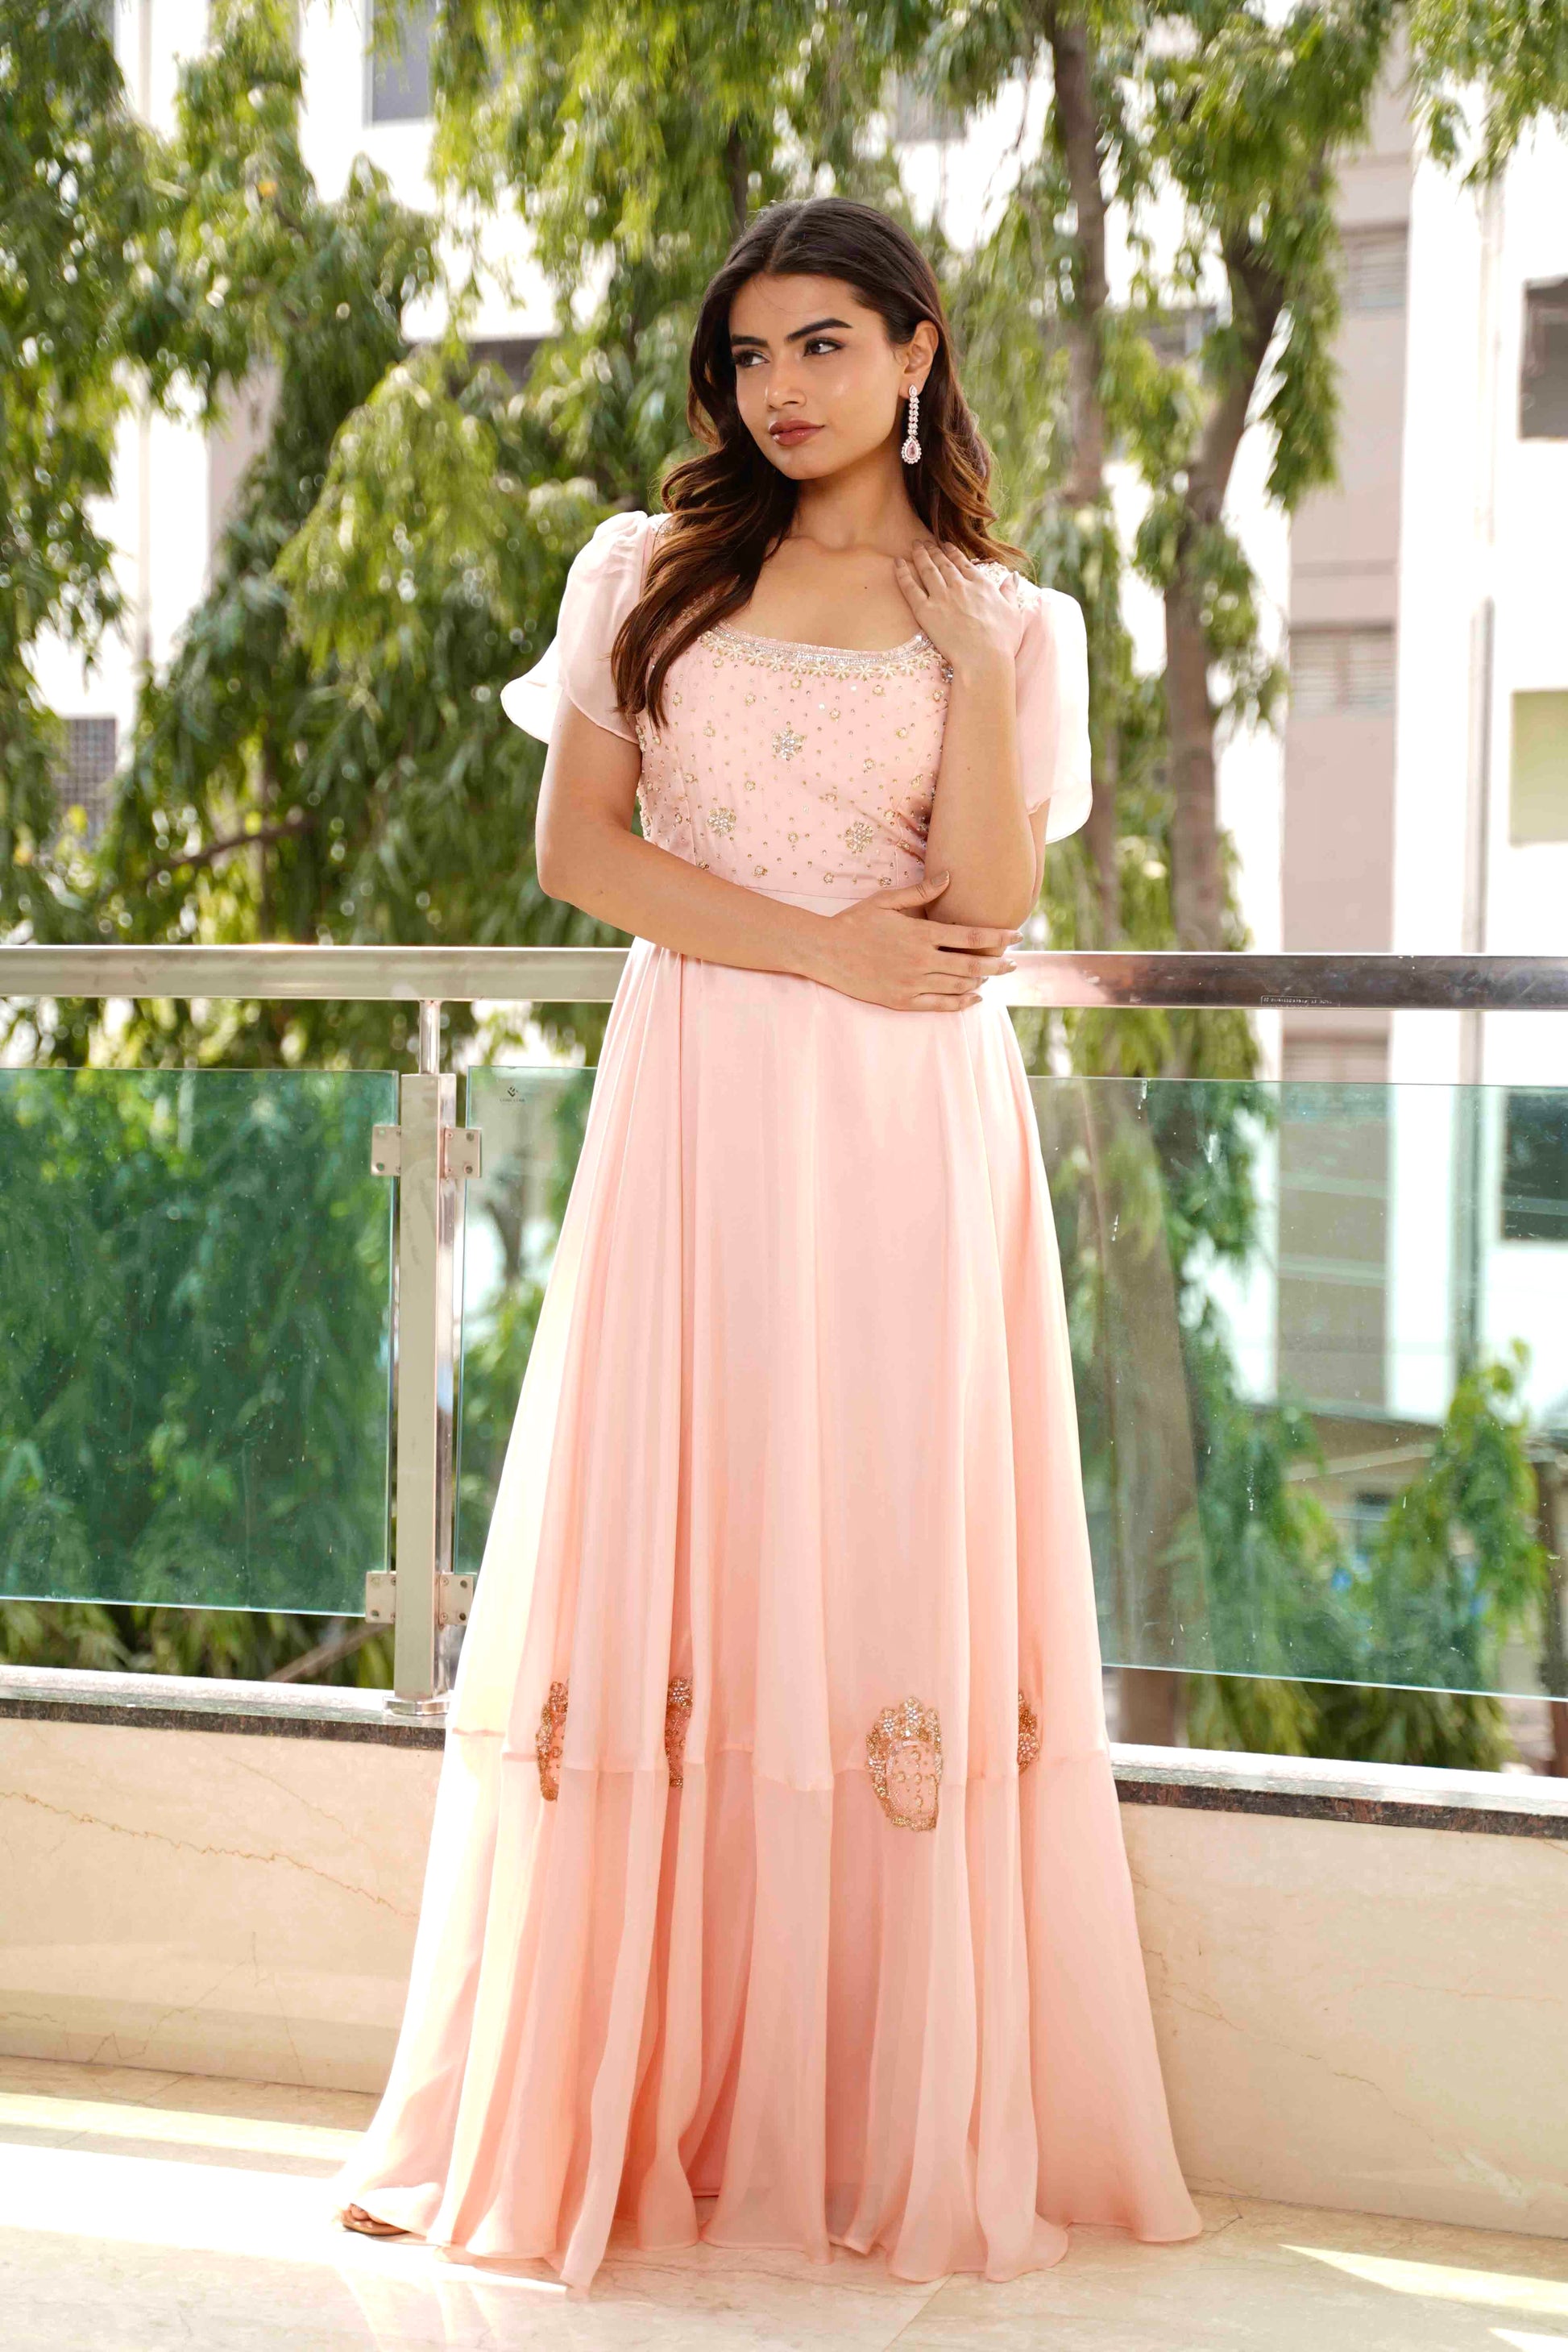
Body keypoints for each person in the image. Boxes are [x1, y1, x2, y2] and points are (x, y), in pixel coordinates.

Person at [332, 193, 1201, 2293]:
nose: (778, 386)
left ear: (917, 353)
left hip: (907, 1117)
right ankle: (637, 2086)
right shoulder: (643, 571)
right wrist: (810, 944)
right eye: (747, 354)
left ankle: (872, 2109)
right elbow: (579, 852)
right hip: (702, 1099)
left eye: (821, 344)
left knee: (885, 1551)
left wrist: (958, 645)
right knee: (689, 1543)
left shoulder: (1019, 616)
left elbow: (984, 901)